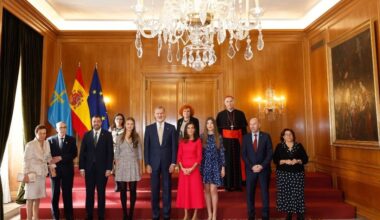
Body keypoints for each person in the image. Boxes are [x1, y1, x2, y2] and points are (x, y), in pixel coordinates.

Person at [144, 106, 177, 220]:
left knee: (167, 189)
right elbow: (146, 148)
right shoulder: (149, 129)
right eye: (157, 113)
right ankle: (155, 215)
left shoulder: (171, 128)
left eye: (161, 113)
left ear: (165, 114)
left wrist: (173, 163)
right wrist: (147, 163)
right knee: (155, 190)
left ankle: (167, 215)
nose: (160, 115)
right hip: (153, 164)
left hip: (167, 164)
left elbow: (174, 147)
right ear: (154, 114)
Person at [79, 115, 114, 220]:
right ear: (91, 122)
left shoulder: (107, 135)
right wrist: (81, 168)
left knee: (101, 192)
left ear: (101, 123)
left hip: (102, 170)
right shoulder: (87, 135)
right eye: (94, 121)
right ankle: (89, 214)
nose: (96, 123)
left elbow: (110, 153)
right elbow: (82, 153)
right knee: (89, 192)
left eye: (98, 121)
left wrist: (109, 168)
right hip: (89, 169)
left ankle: (101, 215)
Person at [23, 124, 60, 220]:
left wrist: (53, 167)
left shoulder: (47, 143)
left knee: (37, 197)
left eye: (44, 133)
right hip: (32, 173)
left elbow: (48, 157)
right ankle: (29, 218)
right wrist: (25, 174)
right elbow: (26, 160)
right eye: (40, 133)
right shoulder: (30, 145)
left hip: (42, 174)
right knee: (30, 197)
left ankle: (36, 217)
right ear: (36, 133)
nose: (43, 135)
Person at [273, 128, 309, 220]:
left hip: (297, 174)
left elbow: (305, 159)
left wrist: (297, 160)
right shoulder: (279, 146)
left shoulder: (299, 146)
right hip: (283, 174)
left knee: (298, 194)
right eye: (286, 134)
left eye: (290, 134)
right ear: (283, 137)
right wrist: (285, 161)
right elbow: (275, 160)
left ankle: (299, 213)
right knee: (286, 194)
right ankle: (289, 213)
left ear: (293, 136)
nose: (289, 136)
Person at [242, 118, 273, 220]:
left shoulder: (266, 136)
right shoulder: (245, 137)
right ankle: (251, 215)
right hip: (250, 170)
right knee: (250, 193)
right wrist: (252, 166)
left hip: (263, 170)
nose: (252, 126)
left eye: (254, 124)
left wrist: (262, 166)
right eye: (250, 124)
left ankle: (265, 215)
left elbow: (269, 153)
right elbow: (244, 155)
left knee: (264, 192)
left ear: (259, 124)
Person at [47, 121, 78, 220]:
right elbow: (47, 155)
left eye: (64, 127)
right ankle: (55, 217)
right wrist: (50, 165)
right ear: (56, 129)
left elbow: (74, 154)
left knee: (67, 195)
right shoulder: (50, 140)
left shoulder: (72, 139)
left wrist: (61, 157)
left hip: (67, 172)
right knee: (55, 195)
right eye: (60, 127)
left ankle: (69, 216)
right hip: (54, 172)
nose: (62, 129)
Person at [216, 96, 248, 191]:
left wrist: (245, 143)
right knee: (227, 162)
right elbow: (218, 131)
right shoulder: (220, 114)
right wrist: (220, 143)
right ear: (224, 103)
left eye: (231, 101)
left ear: (234, 102)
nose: (229, 103)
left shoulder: (240, 113)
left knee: (238, 162)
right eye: (227, 101)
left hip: (238, 142)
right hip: (225, 142)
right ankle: (228, 185)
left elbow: (244, 130)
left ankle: (238, 184)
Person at [114, 117, 143, 220]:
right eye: (128, 124)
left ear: (134, 125)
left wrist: (140, 168)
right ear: (125, 125)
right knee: (122, 190)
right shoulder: (119, 137)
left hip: (133, 165)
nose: (130, 126)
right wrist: (117, 166)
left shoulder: (137, 137)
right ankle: (124, 213)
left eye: (132, 124)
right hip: (121, 165)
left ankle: (131, 213)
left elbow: (140, 154)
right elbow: (116, 153)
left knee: (133, 190)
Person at [176, 121, 205, 220]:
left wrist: (191, 169)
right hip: (184, 171)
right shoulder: (182, 141)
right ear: (186, 130)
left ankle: (195, 215)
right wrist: (183, 169)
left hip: (194, 170)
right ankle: (186, 214)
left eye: (192, 127)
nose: (190, 129)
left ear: (195, 129)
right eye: (188, 128)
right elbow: (179, 156)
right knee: (185, 192)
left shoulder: (198, 141)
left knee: (195, 192)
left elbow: (199, 157)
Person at [200, 117, 225, 220]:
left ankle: (214, 214)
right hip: (205, 165)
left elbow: (222, 153)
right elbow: (199, 153)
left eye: (211, 123)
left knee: (213, 189)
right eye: (208, 123)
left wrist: (223, 167)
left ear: (214, 125)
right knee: (206, 190)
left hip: (215, 165)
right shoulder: (202, 137)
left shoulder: (218, 137)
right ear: (206, 125)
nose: (209, 125)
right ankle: (209, 214)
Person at [109, 113, 126, 192]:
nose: (119, 120)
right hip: (113, 150)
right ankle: (117, 184)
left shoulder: (125, 129)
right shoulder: (111, 129)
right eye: (117, 119)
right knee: (115, 169)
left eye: (120, 119)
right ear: (114, 120)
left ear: (123, 120)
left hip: (123, 151)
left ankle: (123, 185)